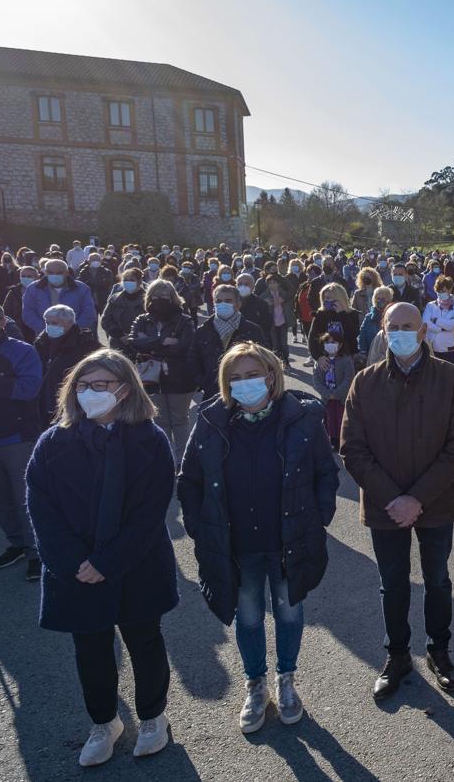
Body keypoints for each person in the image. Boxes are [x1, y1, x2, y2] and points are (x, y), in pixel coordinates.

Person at [26, 349, 178, 766]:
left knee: (144, 641)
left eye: (101, 385)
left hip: (137, 562)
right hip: (74, 569)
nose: (89, 392)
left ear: (125, 389)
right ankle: (103, 721)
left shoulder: (150, 440)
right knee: (90, 647)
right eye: (83, 384)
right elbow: (40, 507)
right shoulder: (54, 441)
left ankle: (152, 717)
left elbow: (150, 513)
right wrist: (72, 562)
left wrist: (108, 561)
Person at [179, 342, 339, 734]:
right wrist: (201, 529)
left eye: (252, 375)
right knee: (247, 616)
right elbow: (190, 480)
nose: (244, 384)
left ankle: (286, 679)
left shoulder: (303, 417)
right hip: (238, 545)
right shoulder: (211, 420)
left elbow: (326, 472)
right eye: (235, 378)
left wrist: (319, 518)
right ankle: (256, 684)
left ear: (271, 375)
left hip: (288, 538)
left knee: (288, 611)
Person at [341, 302, 454, 701]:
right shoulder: (364, 383)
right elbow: (353, 449)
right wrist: (393, 499)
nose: (400, 332)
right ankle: (397, 655)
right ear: (383, 331)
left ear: (422, 331)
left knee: (437, 580)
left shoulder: (450, 379)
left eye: (408, 326)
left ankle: (439, 651)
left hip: (435, 501)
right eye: (392, 326)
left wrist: (417, 497)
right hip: (386, 507)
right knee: (393, 584)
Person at [0, 300, 44, 580]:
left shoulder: (22, 351)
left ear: (1, 322)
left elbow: (27, 390)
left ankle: (37, 552)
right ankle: (17, 544)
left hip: (16, 439)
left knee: (26, 500)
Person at [129, 280, 197, 461]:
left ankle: (184, 461)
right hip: (150, 377)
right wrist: (162, 341)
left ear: (173, 297)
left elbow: (184, 346)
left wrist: (149, 342)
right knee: (160, 421)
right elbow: (134, 342)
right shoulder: (142, 320)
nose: (159, 300)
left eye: (164, 296)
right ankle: (167, 459)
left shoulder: (185, 320)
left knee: (180, 421)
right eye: (155, 296)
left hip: (180, 377)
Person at [192, 286, 266, 401]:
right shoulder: (203, 331)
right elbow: (194, 359)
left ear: (238, 304)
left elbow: (264, 360)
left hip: (247, 392)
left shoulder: (252, 330)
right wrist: (204, 381)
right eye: (218, 301)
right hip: (213, 392)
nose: (223, 304)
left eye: (228, 301)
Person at [34, 304, 99, 423]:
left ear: (69, 323)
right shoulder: (40, 343)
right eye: (47, 323)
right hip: (45, 400)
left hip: (73, 401)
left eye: (54, 323)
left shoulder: (86, 345)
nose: (49, 327)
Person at [22, 258, 97, 339]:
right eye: (51, 273)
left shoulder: (82, 288)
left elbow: (89, 313)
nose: (55, 275)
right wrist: (47, 330)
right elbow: (28, 314)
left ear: (67, 273)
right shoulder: (33, 289)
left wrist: (72, 330)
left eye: (59, 273)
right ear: (45, 272)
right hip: (45, 338)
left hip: (74, 338)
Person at [312, 330, 355, 451]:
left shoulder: (346, 361)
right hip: (327, 399)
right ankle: (331, 440)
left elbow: (349, 379)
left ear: (340, 345)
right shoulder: (320, 362)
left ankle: (342, 440)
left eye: (334, 342)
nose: (330, 345)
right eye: (327, 342)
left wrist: (336, 393)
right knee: (329, 419)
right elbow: (316, 380)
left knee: (341, 418)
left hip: (341, 398)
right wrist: (326, 393)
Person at [308, 283, 360, 367]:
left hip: (346, 359)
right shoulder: (320, 315)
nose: (325, 300)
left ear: (339, 299)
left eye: (328, 298)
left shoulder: (351, 314)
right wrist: (318, 357)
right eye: (324, 298)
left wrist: (342, 314)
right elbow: (312, 338)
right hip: (325, 360)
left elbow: (353, 335)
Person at [423, 275, 454, 364]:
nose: (440, 294)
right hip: (434, 347)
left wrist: (436, 320)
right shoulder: (430, 305)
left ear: (450, 290)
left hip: (451, 347)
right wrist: (441, 328)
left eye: (443, 291)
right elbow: (425, 322)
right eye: (438, 291)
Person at [358, 286, 392, 357]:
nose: (380, 301)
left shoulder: (393, 316)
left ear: (389, 300)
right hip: (372, 356)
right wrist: (363, 352)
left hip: (390, 356)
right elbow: (362, 336)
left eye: (383, 298)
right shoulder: (368, 317)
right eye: (378, 298)